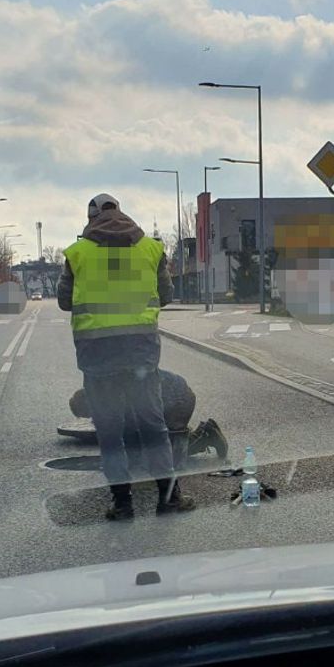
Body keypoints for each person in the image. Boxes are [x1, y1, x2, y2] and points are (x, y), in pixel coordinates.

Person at [58, 193, 195, 520]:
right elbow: (165, 296)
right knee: (153, 426)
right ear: (121, 212)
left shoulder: (78, 253)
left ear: (91, 218)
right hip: (140, 355)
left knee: (109, 431)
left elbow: (65, 301)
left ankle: (122, 504)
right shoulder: (150, 249)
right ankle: (168, 498)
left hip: (97, 356)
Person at [68, 370, 230, 465]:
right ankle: (199, 434)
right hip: (170, 396)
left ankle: (206, 436)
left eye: (88, 414)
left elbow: (133, 427)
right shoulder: (106, 389)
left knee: (168, 459)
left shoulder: (113, 399)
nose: (91, 418)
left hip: (178, 399)